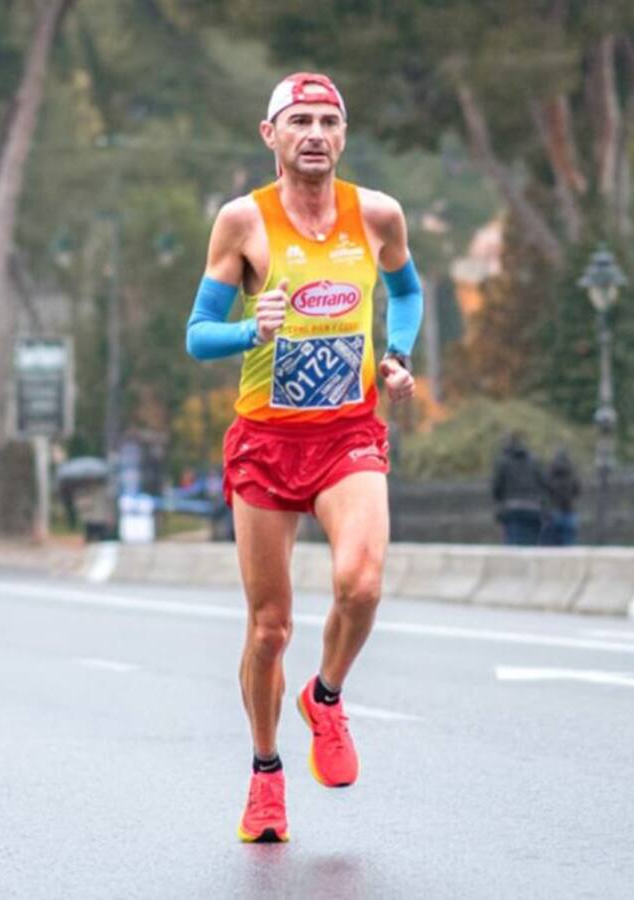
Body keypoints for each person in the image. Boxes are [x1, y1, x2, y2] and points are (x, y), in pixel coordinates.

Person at [184, 72, 421, 844]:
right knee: (268, 630)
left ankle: (325, 696)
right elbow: (196, 334)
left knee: (362, 581)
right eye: (299, 121)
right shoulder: (241, 223)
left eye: (328, 121)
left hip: (347, 433)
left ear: (343, 136)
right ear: (271, 135)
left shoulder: (377, 214)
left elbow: (408, 291)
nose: (314, 133)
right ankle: (265, 776)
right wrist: (252, 330)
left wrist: (396, 354)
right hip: (265, 442)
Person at [491, 432, 547, 545]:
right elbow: (544, 484)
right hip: (534, 509)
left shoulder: (503, 462)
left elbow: (496, 488)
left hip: (512, 510)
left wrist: (502, 500)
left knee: (513, 547)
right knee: (531, 546)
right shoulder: (535, 461)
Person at [541, 448, 581, 546]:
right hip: (569, 511)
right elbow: (577, 491)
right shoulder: (572, 473)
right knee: (569, 545)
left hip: (553, 511)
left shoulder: (550, 473)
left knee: (551, 545)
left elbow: (545, 489)